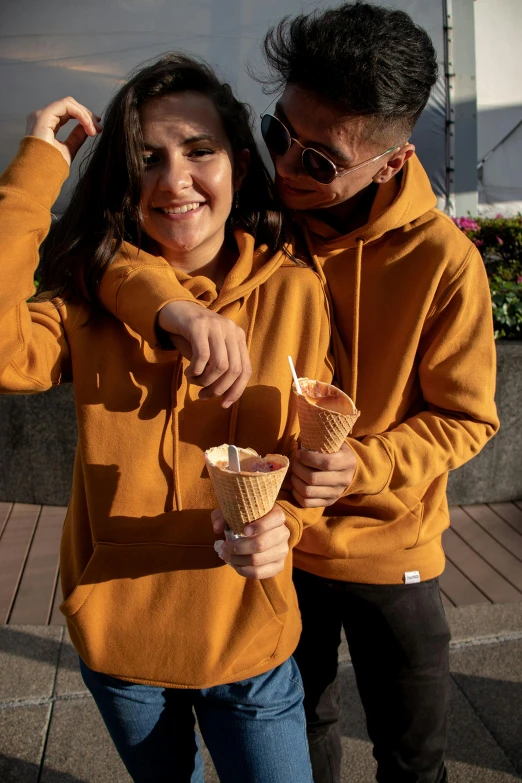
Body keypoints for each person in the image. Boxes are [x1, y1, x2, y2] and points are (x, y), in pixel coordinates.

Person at [118, 5, 499, 783]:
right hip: (276, 545)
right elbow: (123, 253)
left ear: (390, 163)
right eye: (277, 132)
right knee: (305, 732)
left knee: (415, 755)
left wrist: (366, 464)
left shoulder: (445, 263)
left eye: (320, 161)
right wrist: (173, 304)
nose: (287, 165)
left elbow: (467, 416)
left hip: (395, 554)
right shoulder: (261, 217)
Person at [0, 53, 335, 782]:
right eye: (148, 159)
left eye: (199, 151)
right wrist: (35, 170)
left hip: (251, 638)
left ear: (240, 166)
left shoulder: (296, 293)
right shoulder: (88, 299)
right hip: (122, 641)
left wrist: (287, 528)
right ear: (126, 181)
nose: (174, 180)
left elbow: (303, 458)